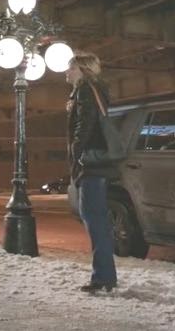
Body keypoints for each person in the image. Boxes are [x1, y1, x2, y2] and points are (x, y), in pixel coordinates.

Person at [66, 51, 118, 292]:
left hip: (91, 163)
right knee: (95, 219)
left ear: (82, 69)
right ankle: (104, 276)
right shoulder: (91, 90)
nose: (67, 72)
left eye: (71, 67)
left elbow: (84, 125)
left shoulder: (85, 90)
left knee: (94, 218)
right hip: (95, 162)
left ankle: (103, 278)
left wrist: (76, 152)